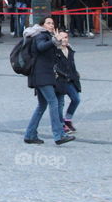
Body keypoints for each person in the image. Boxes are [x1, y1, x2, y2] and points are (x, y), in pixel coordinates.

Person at [22, 17, 75, 146]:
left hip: (42, 75)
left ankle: (30, 135)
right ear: (42, 25)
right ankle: (59, 135)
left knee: (41, 106)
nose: (51, 25)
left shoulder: (46, 36)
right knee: (53, 102)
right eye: (48, 23)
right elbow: (41, 47)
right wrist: (55, 39)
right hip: (42, 76)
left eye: (52, 23)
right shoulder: (40, 35)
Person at [53, 31, 81, 134]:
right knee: (60, 103)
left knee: (76, 99)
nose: (64, 40)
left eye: (66, 37)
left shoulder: (70, 49)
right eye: (61, 38)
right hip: (60, 80)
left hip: (70, 79)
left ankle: (67, 119)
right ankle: (61, 124)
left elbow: (71, 65)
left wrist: (76, 74)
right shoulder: (55, 51)